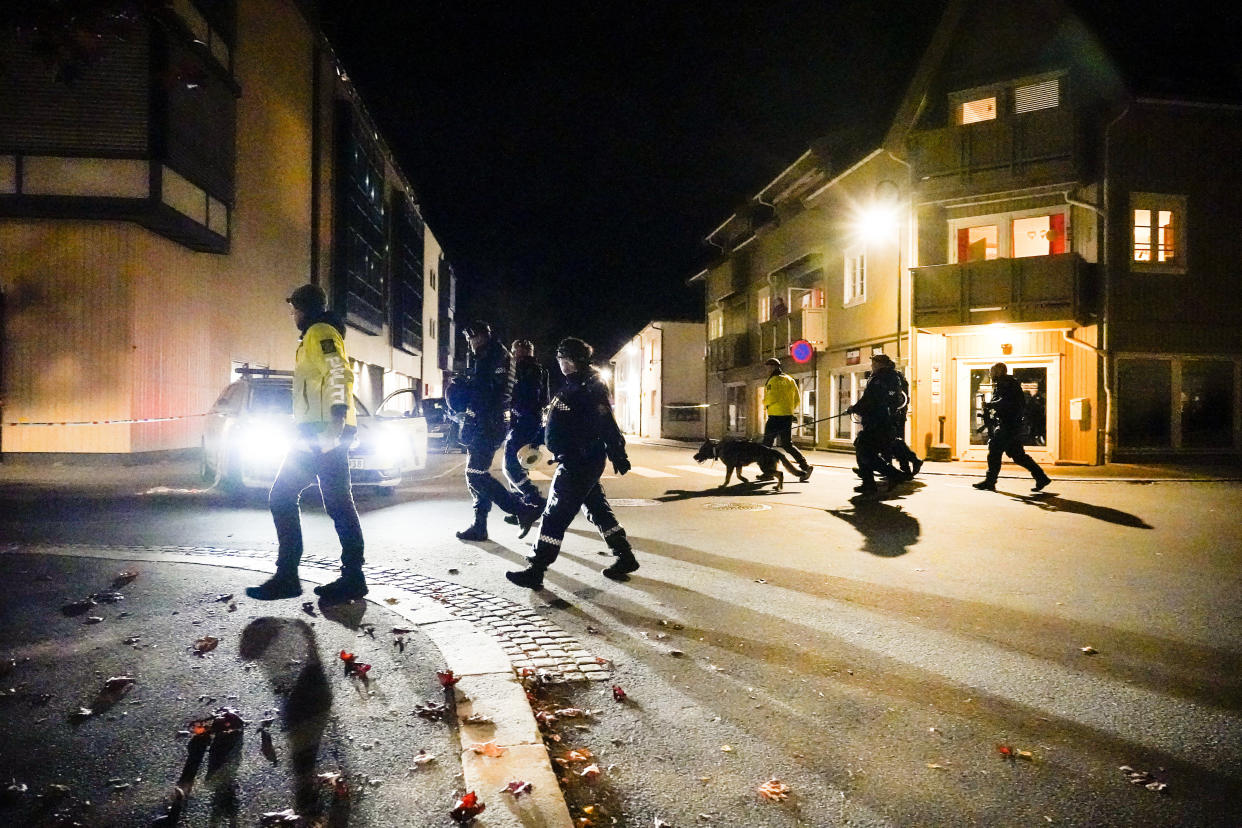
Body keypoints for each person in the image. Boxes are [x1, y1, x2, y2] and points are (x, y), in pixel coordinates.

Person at [246, 284, 367, 603]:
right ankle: (352, 577)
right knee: (337, 503)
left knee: (283, 497)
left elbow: (340, 373)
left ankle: (288, 577)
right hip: (317, 431)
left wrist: (336, 422)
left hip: (323, 433)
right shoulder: (314, 335)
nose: (292, 315)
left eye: (294, 309)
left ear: (305, 309)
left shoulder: (320, 332)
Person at [505, 337, 638, 590]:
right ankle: (625, 556)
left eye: (563, 359)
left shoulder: (591, 386)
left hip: (580, 461)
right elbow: (555, 419)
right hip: (577, 460)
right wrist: (537, 440)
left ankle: (536, 569)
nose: (561, 364)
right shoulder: (573, 385)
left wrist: (618, 453)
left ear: (573, 360)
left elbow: (605, 421)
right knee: (596, 508)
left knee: (554, 514)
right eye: (559, 359)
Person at [455, 321, 541, 541]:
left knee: (475, 474)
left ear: (484, 336)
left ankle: (521, 509)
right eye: (468, 339)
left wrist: (469, 418)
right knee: (476, 474)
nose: (470, 343)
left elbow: (484, 394)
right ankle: (479, 524)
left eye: (473, 338)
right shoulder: (494, 354)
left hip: (487, 423)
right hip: (493, 422)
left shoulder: (491, 356)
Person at [973, 362, 1052, 492]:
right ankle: (1041, 477)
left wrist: (990, 405)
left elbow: (1006, 403)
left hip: (1008, 425)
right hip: (1011, 425)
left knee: (994, 450)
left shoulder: (1006, 384)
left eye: (991, 371)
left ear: (998, 372)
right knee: (1018, 455)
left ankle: (990, 481)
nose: (990, 374)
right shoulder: (1006, 383)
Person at [502, 339, 550, 521]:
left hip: (523, 422)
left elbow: (524, 397)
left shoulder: (521, 370)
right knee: (520, 464)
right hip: (530, 421)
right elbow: (544, 399)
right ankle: (522, 508)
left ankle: (534, 499)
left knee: (510, 467)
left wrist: (513, 407)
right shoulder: (540, 370)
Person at [847, 353, 907, 494]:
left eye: (874, 363)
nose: (872, 366)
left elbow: (870, 400)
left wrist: (854, 408)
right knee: (864, 449)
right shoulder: (892, 377)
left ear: (880, 364)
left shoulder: (880, 378)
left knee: (865, 452)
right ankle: (871, 482)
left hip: (877, 423)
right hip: (885, 422)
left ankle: (892, 475)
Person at [761, 358, 813, 480]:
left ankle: (768, 473)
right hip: (787, 417)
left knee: (766, 446)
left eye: (768, 367)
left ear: (773, 367)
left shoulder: (773, 381)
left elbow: (771, 397)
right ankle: (805, 466)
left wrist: (764, 403)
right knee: (787, 444)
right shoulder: (790, 380)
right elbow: (797, 399)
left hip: (774, 416)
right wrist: (788, 410)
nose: (766, 370)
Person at [888, 368, 923, 476]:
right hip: (896, 416)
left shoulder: (893, 379)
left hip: (893, 417)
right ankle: (904, 466)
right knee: (892, 442)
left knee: (893, 442)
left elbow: (898, 398)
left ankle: (907, 465)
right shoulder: (898, 378)